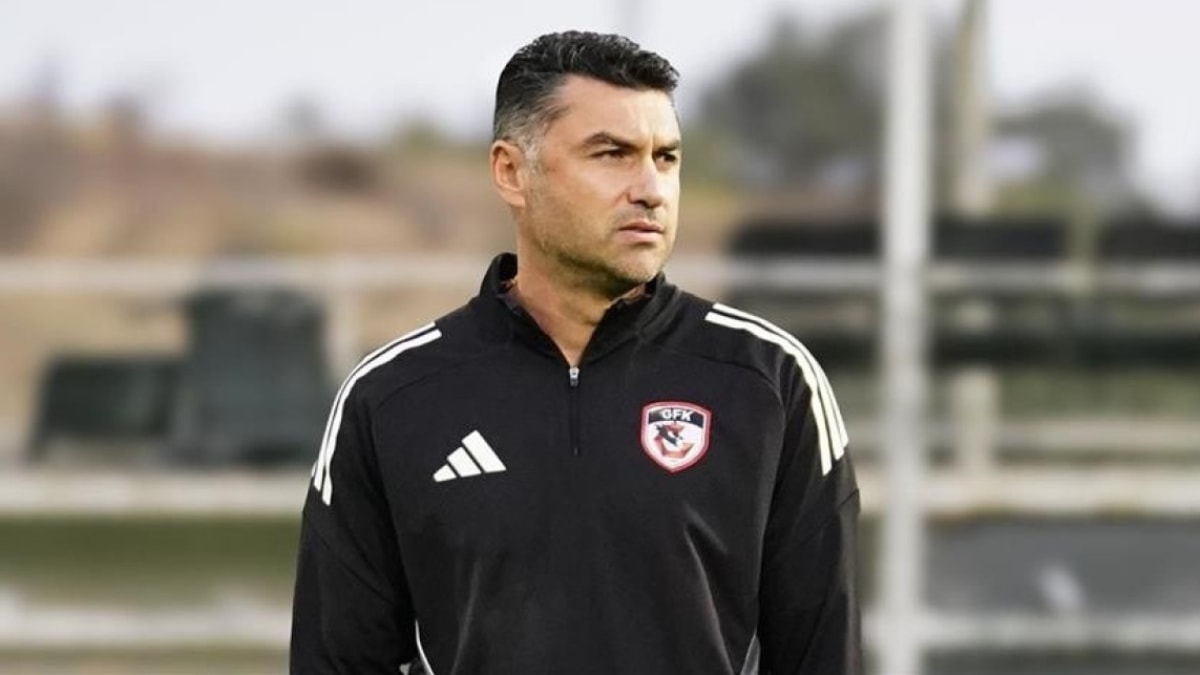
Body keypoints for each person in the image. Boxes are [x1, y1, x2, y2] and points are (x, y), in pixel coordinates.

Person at [290, 30, 861, 675]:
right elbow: (338, 660)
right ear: (512, 172)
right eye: (612, 154)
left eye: (666, 157)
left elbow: (822, 656)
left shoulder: (769, 382)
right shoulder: (392, 398)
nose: (650, 188)